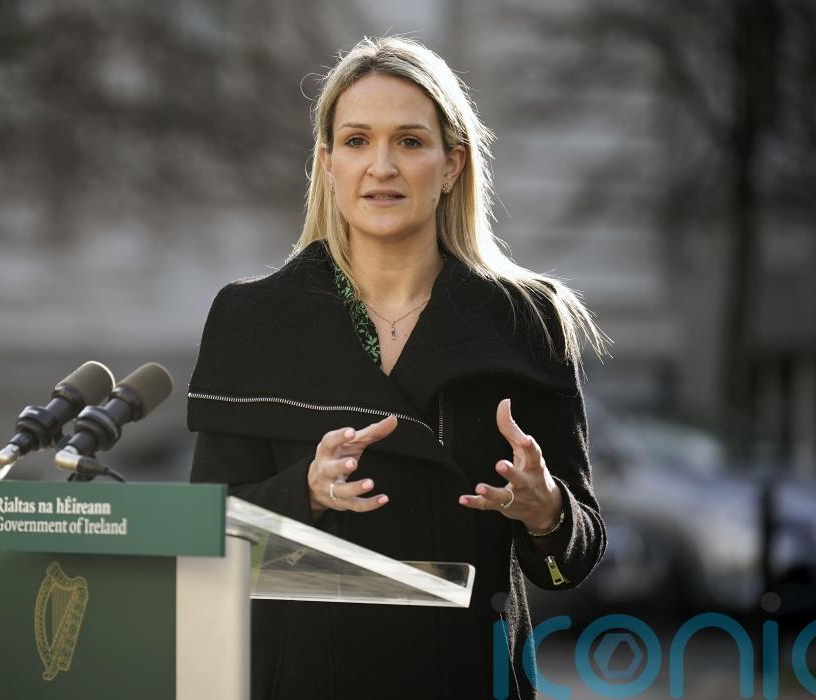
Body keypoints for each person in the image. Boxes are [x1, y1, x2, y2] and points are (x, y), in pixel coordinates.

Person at [188, 36, 610, 699]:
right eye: (357, 141)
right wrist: (306, 490)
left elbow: (569, 564)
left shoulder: (527, 321)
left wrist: (546, 510)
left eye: (409, 142)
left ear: (451, 165)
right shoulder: (253, 319)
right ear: (328, 163)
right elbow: (206, 536)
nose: (381, 166)